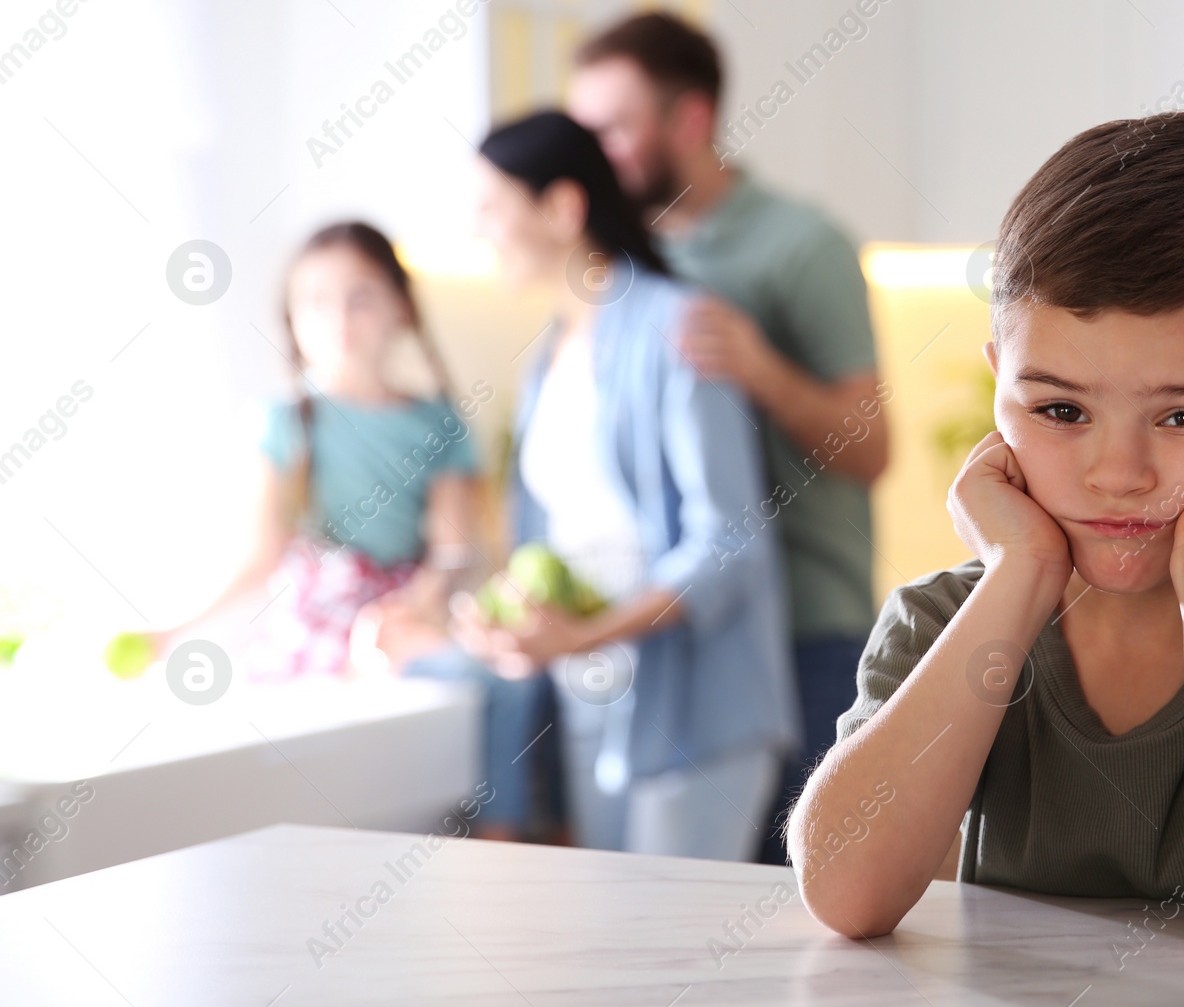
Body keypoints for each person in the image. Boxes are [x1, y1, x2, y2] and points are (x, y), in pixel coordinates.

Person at [787, 113, 1184, 966]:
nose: (1117, 473)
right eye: (1059, 410)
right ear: (999, 398)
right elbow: (843, 889)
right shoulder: (946, 621)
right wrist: (1019, 571)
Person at [568, 12, 890, 864]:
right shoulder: (624, 276)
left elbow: (872, 447)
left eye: (614, 128)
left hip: (811, 631)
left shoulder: (802, 246)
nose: (594, 154)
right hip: (690, 636)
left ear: (692, 120)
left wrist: (761, 370)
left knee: (806, 904)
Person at [452, 109, 800, 861]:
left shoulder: (677, 327)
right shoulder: (548, 358)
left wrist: (583, 634)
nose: (479, 232)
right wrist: (508, 618)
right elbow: (555, 536)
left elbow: (729, 542)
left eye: (491, 208)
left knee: (670, 967)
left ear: (561, 208)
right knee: (613, 954)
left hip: (701, 708)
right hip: (593, 692)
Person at [151, 221, 481, 681]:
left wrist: (409, 610)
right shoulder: (281, 422)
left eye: (360, 297)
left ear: (402, 305)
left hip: (402, 622)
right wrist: (172, 632)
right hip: (307, 631)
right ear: (292, 318)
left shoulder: (440, 426)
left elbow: (453, 554)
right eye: (316, 302)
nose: (339, 319)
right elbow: (260, 556)